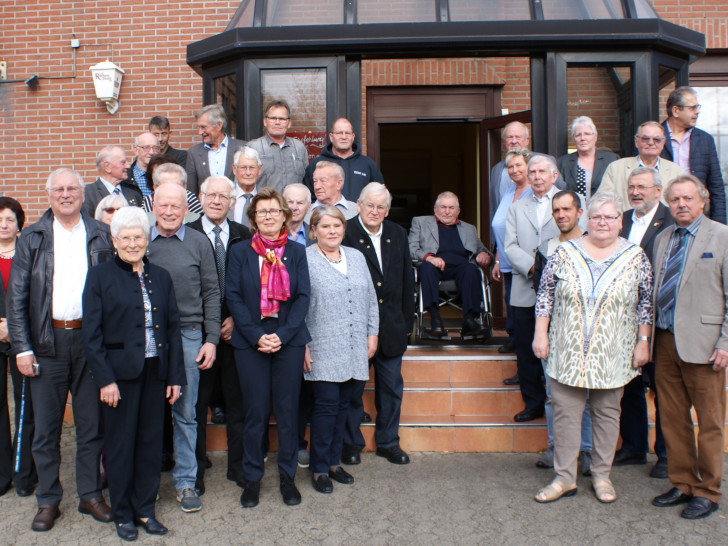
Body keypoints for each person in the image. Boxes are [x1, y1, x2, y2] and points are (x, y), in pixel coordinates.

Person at [6, 168, 114, 532]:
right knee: (46, 430)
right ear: (50, 195)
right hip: (46, 344)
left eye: (72, 188)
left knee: (89, 426)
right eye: (59, 189)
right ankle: (48, 500)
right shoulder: (32, 237)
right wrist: (22, 348)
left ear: (82, 195)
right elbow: (16, 297)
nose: (65, 194)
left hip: (90, 344)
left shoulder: (101, 234)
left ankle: (89, 495)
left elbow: (112, 295)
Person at [532, 191, 653, 504]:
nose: (602, 222)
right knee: (566, 416)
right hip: (566, 349)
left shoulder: (636, 255)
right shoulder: (563, 252)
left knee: (606, 416)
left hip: (613, 353)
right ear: (587, 219)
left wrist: (643, 342)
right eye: (597, 217)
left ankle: (601, 476)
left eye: (610, 217)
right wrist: (540, 335)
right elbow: (545, 295)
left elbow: (645, 304)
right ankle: (564, 479)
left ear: (620, 221)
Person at [82, 206, 185, 541]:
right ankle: (123, 513)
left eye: (137, 236)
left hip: (155, 373)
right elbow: (92, 334)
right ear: (114, 240)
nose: (131, 242)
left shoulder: (161, 276)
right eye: (124, 237)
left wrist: (174, 377)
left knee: (150, 444)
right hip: (120, 378)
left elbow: (172, 329)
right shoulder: (99, 277)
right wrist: (106, 379)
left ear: (146, 238)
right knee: (121, 445)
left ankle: (145, 509)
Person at [226, 187, 311, 507]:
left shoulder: (297, 251)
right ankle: (252, 478)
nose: (269, 217)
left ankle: (287, 477)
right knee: (255, 412)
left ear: (284, 216)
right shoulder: (241, 251)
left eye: (274, 211)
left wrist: (285, 335)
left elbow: (303, 296)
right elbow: (232, 295)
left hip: (287, 339)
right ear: (253, 218)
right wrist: (253, 334)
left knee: (288, 413)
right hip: (251, 340)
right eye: (262, 212)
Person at [651, 174, 728, 520]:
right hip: (664, 343)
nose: (681, 204)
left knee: (710, 421)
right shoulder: (663, 237)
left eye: (688, 198)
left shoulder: (722, 236)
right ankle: (682, 482)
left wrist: (726, 342)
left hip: (706, 346)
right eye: (675, 199)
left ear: (703, 200)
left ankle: (708, 490)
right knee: (672, 418)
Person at [148, 183, 221, 514]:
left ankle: (186, 482)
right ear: (153, 205)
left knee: (186, 414)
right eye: (163, 205)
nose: (168, 211)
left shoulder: (198, 242)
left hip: (189, 336)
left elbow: (211, 292)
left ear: (185, 209)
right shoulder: (140, 239)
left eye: (175, 206)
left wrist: (211, 339)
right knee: (146, 413)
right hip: (148, 337)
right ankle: (145, 483)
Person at [304, 205, 378, 494]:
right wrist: (302, 345)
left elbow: (371, 298)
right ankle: (320, 468)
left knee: (346, 407)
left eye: (337, 226)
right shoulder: (305, 259)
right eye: (325, 226)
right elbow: (296, 306)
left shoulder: (357, 257)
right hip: (321, 347)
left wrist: (372, 334)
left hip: (354, 345)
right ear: (314, 231)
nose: (332, 231)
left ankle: (334, 463)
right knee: (325, 408)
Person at [341, 182, 414, 466]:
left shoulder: (397, 233)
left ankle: (388, 443)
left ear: (387, 210)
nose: (374, 211)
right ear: (358, 205)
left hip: (392, 327)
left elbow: (407, 279)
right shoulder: (344, 232)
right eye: (369, 205)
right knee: (351, 392)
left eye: (380, 207)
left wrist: (406, 323)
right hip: (355, 328)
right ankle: (350, 444)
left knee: (391, 390)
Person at [187, 175, 251, 493]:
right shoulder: (186, 235)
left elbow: (252, 286)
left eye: (223, 196)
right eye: (210, 195)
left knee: (238, 403)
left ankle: (237, 467)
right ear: (200, 197)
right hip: (199, 336)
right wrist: (210, 324)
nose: (216, 201)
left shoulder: (244, 235)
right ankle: (195, 470)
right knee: (197, 407)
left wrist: (236, 320)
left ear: (233, 202)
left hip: (235, 336)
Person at [614, 167, 673, 478]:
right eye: (632, 186)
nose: (636, 192)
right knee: (630, 386)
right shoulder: (619, 220)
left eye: (643, 187)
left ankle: (665, 454)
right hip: (624, 320)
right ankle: (634, 447)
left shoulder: (672, 222)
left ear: (657, 190)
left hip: (660, 321)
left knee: (664, 389)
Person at [531, 190, 592, 474]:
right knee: (552, 392)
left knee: (588, 392)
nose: (561, 215)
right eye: (556, 210)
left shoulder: (594, 245)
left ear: (580, 212)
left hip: (589, 332)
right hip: (555, 331)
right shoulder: (546, 248)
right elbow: (542, 295)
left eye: (566, 209)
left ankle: (588, 451)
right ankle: (556, 446)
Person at [504, 155, 566, 422]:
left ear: (554, 176)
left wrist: (552, 271)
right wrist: (534, 268)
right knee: (526, 351)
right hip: (524, 288)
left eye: (542, 171)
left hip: (563, 290)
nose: (537, 176)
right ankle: (533, 403)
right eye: (533, 171)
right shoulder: (518, 207)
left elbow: (580, 239)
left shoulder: (568, 203)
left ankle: (561, 404)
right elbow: (509, 246)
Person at [409, 191, 492, 339]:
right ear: (435, 209)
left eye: (451, 208)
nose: (447, 211)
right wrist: (428, 257)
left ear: (458, 211)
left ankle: (469, 320)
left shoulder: (469, 228)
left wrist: (485, 255)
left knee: (471, 269)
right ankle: (435, 320)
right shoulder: (420, 222)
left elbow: (482, 249)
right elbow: (411, 249)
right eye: (443, 207)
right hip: (434, 268)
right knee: (426, 267)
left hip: (461, 269)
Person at [0, 197, 36, 498]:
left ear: (18, 223)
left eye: (9, 219)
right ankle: (2, 474)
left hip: (23, 340)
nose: (3, 225)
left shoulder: (29, 253)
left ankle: (24, 473)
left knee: (27, 407)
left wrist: (14, 327)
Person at [660, 86, 726, 224]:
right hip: (663, 215)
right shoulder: (653, 138)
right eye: (692, 108)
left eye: (698, 107)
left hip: (698, 215)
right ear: (676, 111)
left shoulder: (705, 139)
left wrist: (720, 224)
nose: (697, 112)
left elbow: (716, 186)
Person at [491, 148, 532, 359]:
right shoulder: (508, 193)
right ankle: (515, 342)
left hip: (525, 263)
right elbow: (502, 228)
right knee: (512, 304)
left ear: (528, 167)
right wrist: (497, 259)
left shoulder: (533, 192)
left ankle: (523, 355)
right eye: (510, 167)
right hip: (507, 260)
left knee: (523, 312)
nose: (514, 170)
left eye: (519, 165)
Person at [600, 121, 684, 212]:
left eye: (656, 139)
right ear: (636, 142)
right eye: (645, 138)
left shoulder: (676, 172)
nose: (651, 143)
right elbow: (602, 202)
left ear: (663, 143)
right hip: (626, 224)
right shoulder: (616, 169)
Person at [303, 118, 384, 201]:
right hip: (327, 213)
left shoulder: (368, 164)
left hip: (359, 214)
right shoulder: (317, 164)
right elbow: (307, 197)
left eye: (347, 133)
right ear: (331, 137)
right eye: (339, 133)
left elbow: (379, 196)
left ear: (353, 137)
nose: (344, 137)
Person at [247, 99, 308, 192]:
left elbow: (306, 181)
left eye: (282, 119)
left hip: (292, 206)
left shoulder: (299, 148)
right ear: (265, 121)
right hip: (264, 205)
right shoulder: (253, 148)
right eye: (273, 118)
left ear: (289, 123)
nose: (277, 122)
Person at [186, 104, 246, 195]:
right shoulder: (194, 153)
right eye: (198, 127)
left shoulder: (242, 148)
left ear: (219, 126)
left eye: (203, 127)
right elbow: (191, 192)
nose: (200, 132)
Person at [557, 116, 618, 203]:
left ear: (595, 137)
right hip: (574, 214)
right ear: (574, 139)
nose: (583, 138)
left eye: (587, 134)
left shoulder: (611, 159)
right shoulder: (563, 162)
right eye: (578, 135)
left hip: (602, 213)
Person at [83, 145, 143, 216]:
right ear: (107, 167)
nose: (128, 166)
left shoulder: (132, 191)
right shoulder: (88, 193)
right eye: (123, 162)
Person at [229, 146, 263, 227]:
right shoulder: (225, 196)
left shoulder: (267, 197)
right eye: (243, 167)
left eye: (252, 168)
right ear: (234, 169)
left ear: (259, 169)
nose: (248, 173)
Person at [127, 133, 161, 200]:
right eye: (146, 147)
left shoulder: (165, 175)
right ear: (136, 150)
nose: (151, 152)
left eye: (155, 148)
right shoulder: (126, 178)